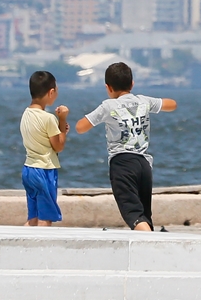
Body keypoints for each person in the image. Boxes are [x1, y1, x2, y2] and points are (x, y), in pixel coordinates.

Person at [75, 62, 177, 231]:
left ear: (108, 87)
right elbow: (171, 104)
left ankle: (152, 244)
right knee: (144, 215)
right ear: (132, 84)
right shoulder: (143, 101)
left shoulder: (108, 106)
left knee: (134, 215)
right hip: (144, 165)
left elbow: (81, 127)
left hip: (122, 164)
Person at [20, 71, 69, 226]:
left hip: (29, 169)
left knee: (33, 218)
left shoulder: (26, 113)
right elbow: (59, 146)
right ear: (51, 92)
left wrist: (60, 127)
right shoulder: (48, 118)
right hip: (44, 170)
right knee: (45, 218)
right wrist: (62, 120)